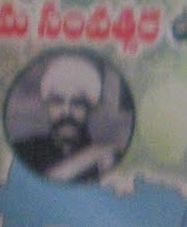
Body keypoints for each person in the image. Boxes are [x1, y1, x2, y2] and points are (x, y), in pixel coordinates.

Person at [15, 53, 120, 184]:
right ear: (47, 105)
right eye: (57, 101)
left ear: (90, 108)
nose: (66, 112)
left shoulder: (107, 160)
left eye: (77, 102)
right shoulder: (24, 151)